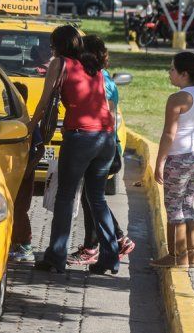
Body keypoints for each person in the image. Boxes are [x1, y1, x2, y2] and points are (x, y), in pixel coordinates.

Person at [28, 25, 120, 275]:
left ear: (57, 45)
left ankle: (56, 257)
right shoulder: (92, 65)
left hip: (80, 138)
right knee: (97, 198)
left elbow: (44, 100)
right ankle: (110, 257)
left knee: (66, 196)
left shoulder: (60, 63)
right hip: (105, 137)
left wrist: (30, 127)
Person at [67, 35, 135, 266]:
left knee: (93, 199)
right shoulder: (102, 77)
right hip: (104, 144)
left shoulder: (99, 80)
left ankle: (103, 244)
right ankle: (109, 242)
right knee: (92, 197)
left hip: (97, 144)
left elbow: (108, 117)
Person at [150, 51, 194, 269]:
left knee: (173, 207)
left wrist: (160, 162)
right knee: (187, 205)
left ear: (184, 74)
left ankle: (177, 256)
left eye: (172, 69)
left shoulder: (177, 99)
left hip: (179, 158)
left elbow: (169, 134)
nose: (169, 73)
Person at [9, 82, 45, 262]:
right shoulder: (10, 121)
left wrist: (29, 168)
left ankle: (26, 245)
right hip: (13, 173)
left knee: (20, 210)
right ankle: (15, 243)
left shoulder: (28, 123)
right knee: (12, 209)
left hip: (24, 175)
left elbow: (40, 150)